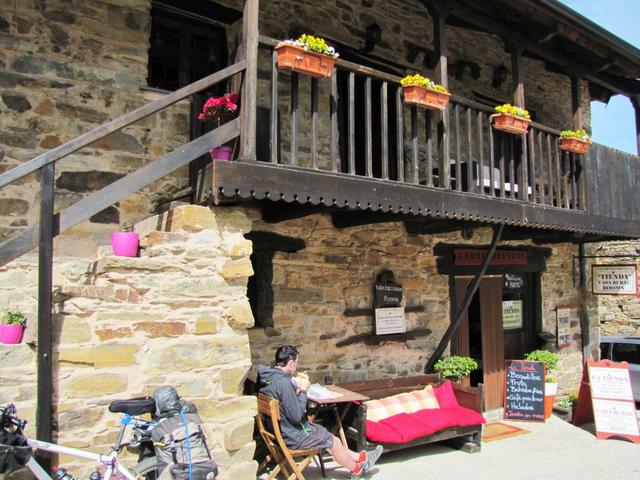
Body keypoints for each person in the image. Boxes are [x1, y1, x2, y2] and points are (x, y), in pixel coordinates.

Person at [258, 345, 382, 479]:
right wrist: (303, 391)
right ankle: (357, 470)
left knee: (332, 438)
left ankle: (362, 458)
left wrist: (296, 393)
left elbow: (285, 404)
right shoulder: (284, 383)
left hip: (278, 434)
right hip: (293, 437)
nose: (296, 366)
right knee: (331, 442)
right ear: (291, 363)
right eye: (296, 363)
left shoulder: (268, 378)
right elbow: (297, 416)